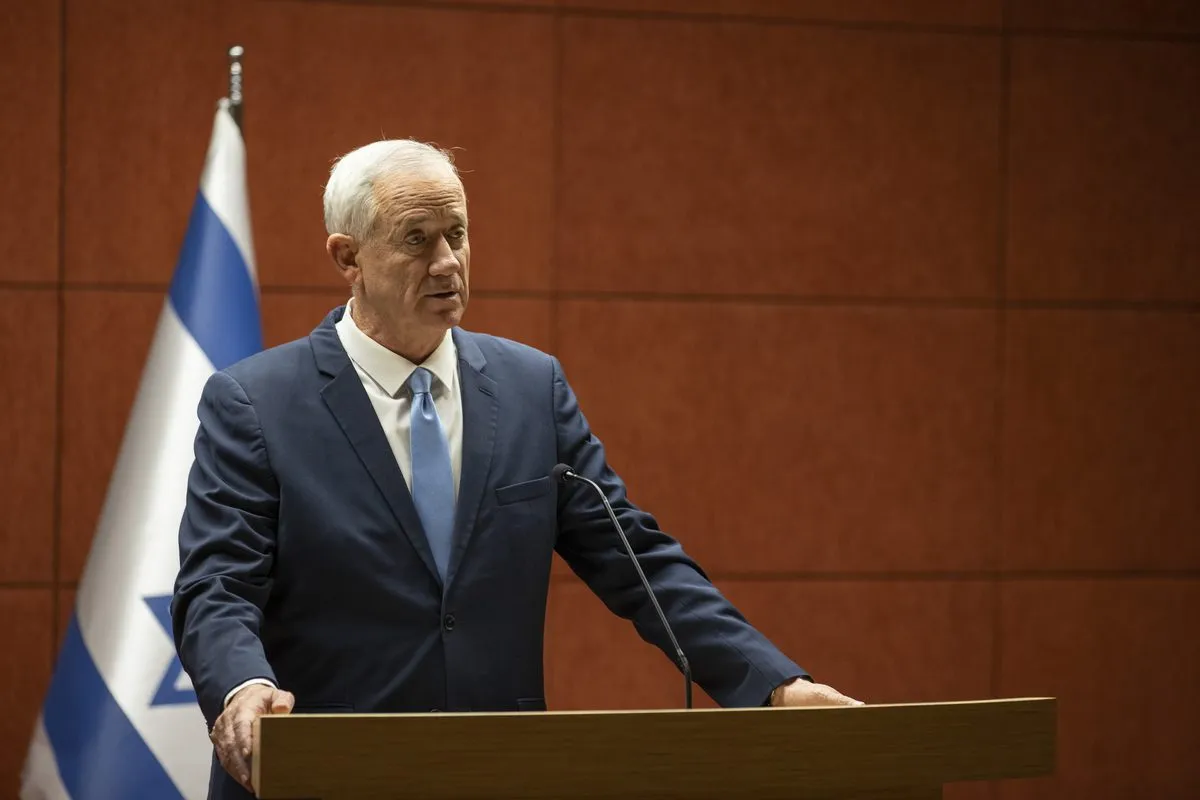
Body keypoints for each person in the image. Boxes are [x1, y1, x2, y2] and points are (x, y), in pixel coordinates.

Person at [171, 139, 861, 799]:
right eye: (417, 239)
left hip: (497, 771)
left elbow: (637, 560)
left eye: (458, 235)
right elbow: (218, 583)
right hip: (323, 774)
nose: (447, 262)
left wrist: (772, 684)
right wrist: (241, 687)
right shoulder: (256, 403)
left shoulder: (531, 388)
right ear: (347, 257)